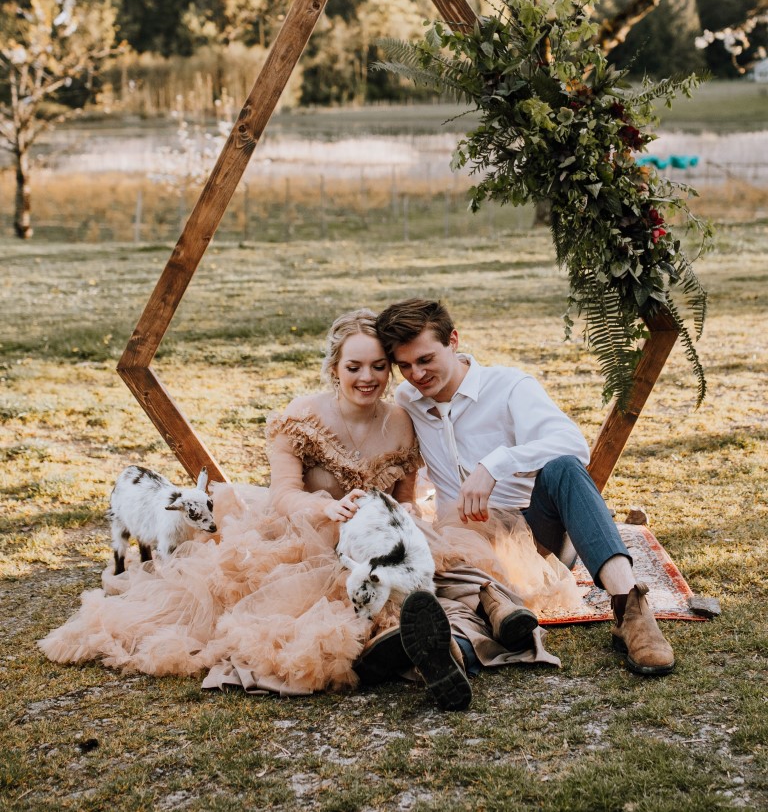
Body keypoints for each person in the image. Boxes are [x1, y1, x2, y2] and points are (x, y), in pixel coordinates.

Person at [39, 308, 567, 707]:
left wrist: (397, 516)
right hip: (306, 534)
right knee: (322, 602)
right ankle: (411, 644)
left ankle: (468, 618)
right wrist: (325, 510)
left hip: (377, 531)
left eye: (379, 367)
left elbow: (407, 500)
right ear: (334, 368)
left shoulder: (403, 419)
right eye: (354, 366)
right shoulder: (301, 417)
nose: (367, 378)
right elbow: (284, 494)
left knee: (426, 553)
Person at [374, 298, 676, 677]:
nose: (416, 375)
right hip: (462, 541)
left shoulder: (509, 386)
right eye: (405, 366)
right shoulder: (409, 400)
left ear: (453, 340)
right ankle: (455, 650)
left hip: (534, 534)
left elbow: (573, 445)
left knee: (564, 468)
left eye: (425, 359)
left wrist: (495, 464)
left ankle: (631, 610)